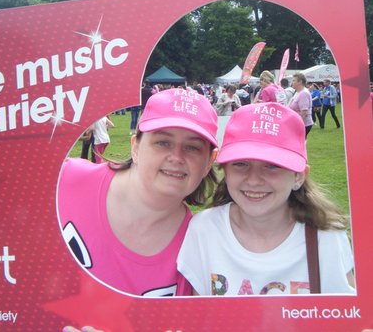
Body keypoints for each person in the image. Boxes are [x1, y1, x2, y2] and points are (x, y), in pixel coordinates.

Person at [177, 102, 355, 296]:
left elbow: (348, 317)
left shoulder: (326, 237)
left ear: (298, 176)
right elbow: (195, 317)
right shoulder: (204, 230)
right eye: (241, 163)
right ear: (225, 170)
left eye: (272, 166)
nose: (254, 180)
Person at [58, 88, 219, 296]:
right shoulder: (65, 180)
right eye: (163, 142)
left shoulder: (198, 246)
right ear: (135, 147)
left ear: (209, 162)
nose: (177, 157)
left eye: (193, 148)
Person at [289, 72, 313, 138]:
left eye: (294, 80)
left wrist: (297, 126)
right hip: (297, 124)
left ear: (300, 82)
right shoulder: (298, 92)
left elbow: (304, 113)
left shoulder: (303, 94)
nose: (292, 82)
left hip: (303, 125)